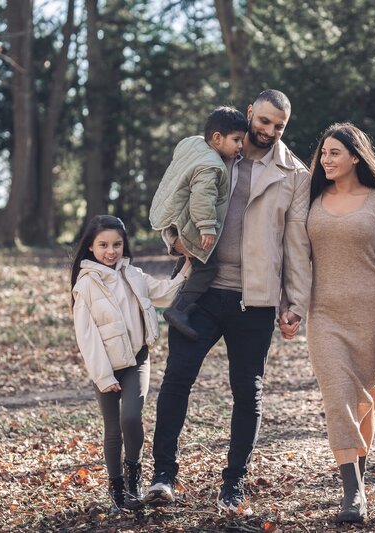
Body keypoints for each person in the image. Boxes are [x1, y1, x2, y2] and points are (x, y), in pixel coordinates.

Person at [144, 89, 312, 514]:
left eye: (280, 126)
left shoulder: (294, 174)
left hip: (254, 300)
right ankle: (163, 475)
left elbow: (296, 245)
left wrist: (295, 304)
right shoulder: (216, 150)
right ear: (251, 113)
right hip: (202, 290)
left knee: (247, 391)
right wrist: (172, 240)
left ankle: (233, 484)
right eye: (265, 121)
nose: (270, 131)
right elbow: (178, 196)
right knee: (177, 380)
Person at [300, 122, 375, 523]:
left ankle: (359, 481)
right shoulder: (311, 198)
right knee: (337, 400)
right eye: (323, 153)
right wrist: (290, 305)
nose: (325, 160)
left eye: (334, 153)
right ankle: (352, 494)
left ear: (355, 157)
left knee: (364, 403)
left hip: (367, 319)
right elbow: (296, 258)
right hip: (323, 316)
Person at [70, 215, 184, 512]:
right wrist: (103, 376)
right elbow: (87, 336)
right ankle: (117, 487)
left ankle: (134, 475)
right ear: (91, 247)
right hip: (105, 366)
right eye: (104, 245)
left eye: (117, 244)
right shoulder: (85, 285)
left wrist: (190, 263)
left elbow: (166, 293)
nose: (111, 251)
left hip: (136, 359)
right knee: (113, 429)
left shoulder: (133, 274)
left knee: (131, 418)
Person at [149, 106, 248, 340]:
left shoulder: (192, 145)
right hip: (190, 222)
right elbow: (203, 196)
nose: (240, 146)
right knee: (207, 267)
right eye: (236, 140)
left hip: (173, 216)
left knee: (190, 259)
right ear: (217, 138)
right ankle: (179, 308)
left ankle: (176, 295)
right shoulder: (211, 165)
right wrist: (206, 226)